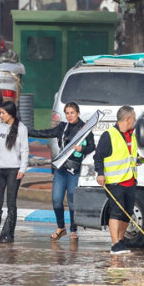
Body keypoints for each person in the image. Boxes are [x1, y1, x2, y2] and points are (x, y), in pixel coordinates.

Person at [28, 101, 96, 240]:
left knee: (71, 200)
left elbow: (92, 146)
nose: (70, 116)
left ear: (78, 113)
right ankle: (61, 227)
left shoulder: (85, 129)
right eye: (67, 113)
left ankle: (73, 229)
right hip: (61, 169)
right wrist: (27, 131)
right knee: (56, 199)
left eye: (72, 113)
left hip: (74, 170)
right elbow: (46, 133)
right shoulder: (62, 127)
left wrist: (82, 149)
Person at [94, 105, 143, 253]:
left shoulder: (131, 134)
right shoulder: (109, 135)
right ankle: (115, 244)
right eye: (133, 118)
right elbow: (98, 156)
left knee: (127, 212)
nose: (134, 121)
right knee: (116, 211)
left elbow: (128, 155)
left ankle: (121, 241)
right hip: (114, 181)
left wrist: (137, 159)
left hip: (130, 179)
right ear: (127, 119)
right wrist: (100, 173)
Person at [0, 101, 29, 243]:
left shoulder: (21, 129)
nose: (1, 115)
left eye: (3, 113)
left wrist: (22, 169)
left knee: (11, 202)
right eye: (0, 113)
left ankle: (8, 233)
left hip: (13, 170)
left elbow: (24, 150)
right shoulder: (0, 127)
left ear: (11, 114)